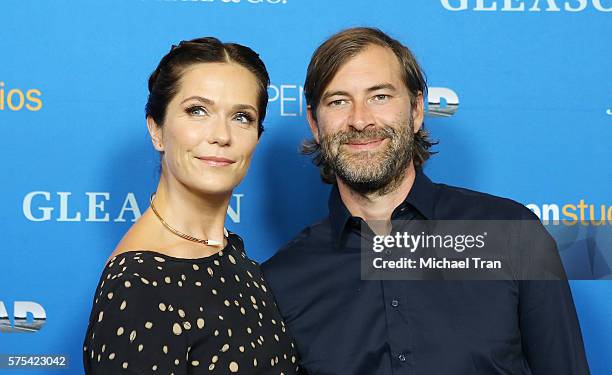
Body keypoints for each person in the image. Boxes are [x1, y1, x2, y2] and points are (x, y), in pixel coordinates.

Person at [262, 27, 590, 374]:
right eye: (338, 101)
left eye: (380, 96)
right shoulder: (282, 279)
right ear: (315, 123)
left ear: (417, 110)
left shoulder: (511, 235)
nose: (360, 120)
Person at [83, 37, 301, 374]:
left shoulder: (229, 252)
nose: (221, 135)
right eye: (197, 111)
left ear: (257, 135)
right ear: (157, 130)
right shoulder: (140, 284)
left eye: (242, 117)